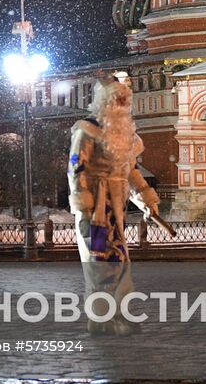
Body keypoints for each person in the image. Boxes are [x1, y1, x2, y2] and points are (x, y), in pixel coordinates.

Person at [67, 76, 174, 334]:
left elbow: (130, 170)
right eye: (119, 99)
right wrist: (85, 204)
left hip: (116, 206)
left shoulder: (124, 133)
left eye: (126, 99)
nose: (124, 103)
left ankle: (118, 314)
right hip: (96, 210)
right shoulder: (88, 129)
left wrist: (146, 199)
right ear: (106, 101)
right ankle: (102, 319)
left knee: (119, 260)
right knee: (100, 260)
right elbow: (75, 168)